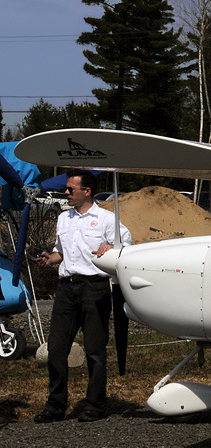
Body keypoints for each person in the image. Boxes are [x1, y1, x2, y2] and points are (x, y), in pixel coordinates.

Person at [34, 169, 131, 423]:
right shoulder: (64, 219)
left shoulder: (107, 219)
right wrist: (50, 258)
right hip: (66, 288)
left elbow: (126, 245)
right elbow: (60, 252)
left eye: (70, 189)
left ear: (86, 191)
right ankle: (55, 406)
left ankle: (95, 405)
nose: (66, 193)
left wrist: (111, 247)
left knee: (95, 350)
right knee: (56, 349)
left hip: (94, 288)